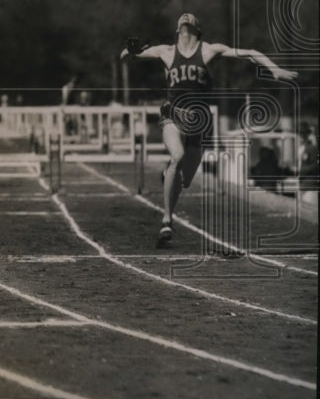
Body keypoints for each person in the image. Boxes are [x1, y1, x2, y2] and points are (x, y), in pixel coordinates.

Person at [121, 13, 297, 248]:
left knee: (184, 180)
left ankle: (170, 177)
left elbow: (250, 53)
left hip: (201, 122)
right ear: (177, 29)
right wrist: (130, 49)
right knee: (177, 157)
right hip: (173, 114)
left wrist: (274, 69)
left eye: (190, 18)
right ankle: (167, 220)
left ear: (197, 29)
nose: (185, 17)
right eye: (182, 18)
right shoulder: (165, 51)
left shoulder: (210, 51)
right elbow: (126, 58)